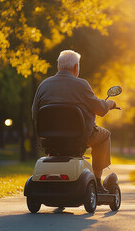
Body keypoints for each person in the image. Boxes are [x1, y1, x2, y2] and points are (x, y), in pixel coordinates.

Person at [31, 50, 117, 193]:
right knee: (105, 135)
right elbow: (100, 109)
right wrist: (111, 103)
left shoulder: (43, 85)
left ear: (59, 66)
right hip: (79, 137)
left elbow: (35, 114)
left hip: (50, 138)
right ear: (76, 67)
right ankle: (97, 181)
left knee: (58, 143)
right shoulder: (82, 85)